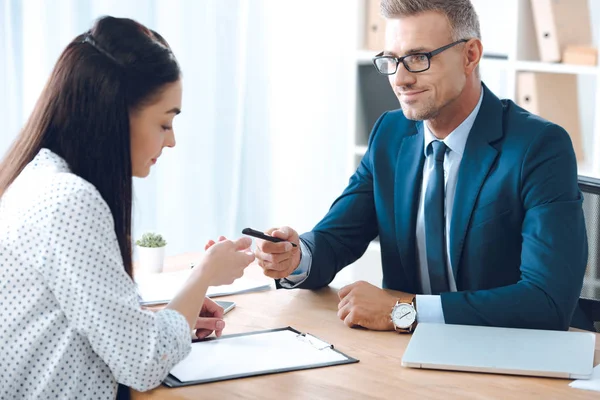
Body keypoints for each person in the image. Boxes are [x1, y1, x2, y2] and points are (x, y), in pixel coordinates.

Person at [253, 0, 592, 333]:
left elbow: (547, 302)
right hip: (404, 357)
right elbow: (336, 238)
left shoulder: (540, 147)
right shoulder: (390, 133)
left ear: (470, 55)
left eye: (418, 58)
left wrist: (404, 312)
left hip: (506, 361)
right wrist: (295, 257)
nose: (400, 79)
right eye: (391, 60)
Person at [0, 16, 255, 399]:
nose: (171, 143)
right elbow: (142, 364)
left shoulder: (38, 178)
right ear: (115, 117)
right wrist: (204, 274)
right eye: (164, 124)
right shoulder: (70, 202)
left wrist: (176, 316)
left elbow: (95, 325)